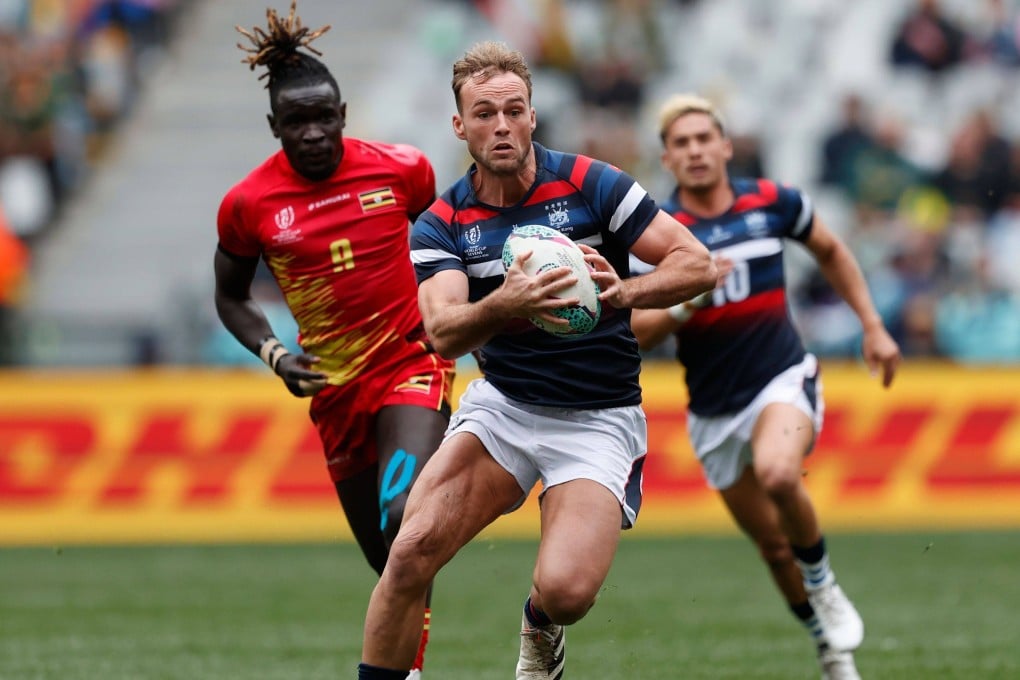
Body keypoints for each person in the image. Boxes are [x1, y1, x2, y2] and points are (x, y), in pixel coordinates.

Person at [356, 41, 717, 680]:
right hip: (505, 411)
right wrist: (509, 302)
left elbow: (696, 264)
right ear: (459, 125)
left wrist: (623, 290)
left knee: (569, 593)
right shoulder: (442, 224)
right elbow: (442, 333)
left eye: (514, 111)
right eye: (485, 113)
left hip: (598, 416)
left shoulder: (592, 183)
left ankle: (539, 623)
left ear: (532, 115)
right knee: (409, 553)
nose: (502, 126)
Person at [213, 3, 455, 677]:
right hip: (335, 391)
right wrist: (276, 355)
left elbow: (448, 250)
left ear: (345, 113)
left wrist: (463, 318)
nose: (314, 133)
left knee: (407, 520)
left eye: (325, 118)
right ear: (274, 127)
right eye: (297, 122)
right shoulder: (249, 204)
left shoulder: (404, 170)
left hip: (411, 362)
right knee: (389, 560)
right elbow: (230, 296)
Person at [630, 94, 902, 680]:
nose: (696, 150)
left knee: (780, 472)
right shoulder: (658, 233)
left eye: (705, 138)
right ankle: (828, 645)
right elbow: (637, 329)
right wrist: (687, 301)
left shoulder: (772, 203)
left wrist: (873, 327)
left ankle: (824, 582)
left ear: (726, 146)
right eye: (682, 143)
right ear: (667, 158)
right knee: (775, 549)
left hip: (781, 377)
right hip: (711, 410)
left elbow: (831, 249)